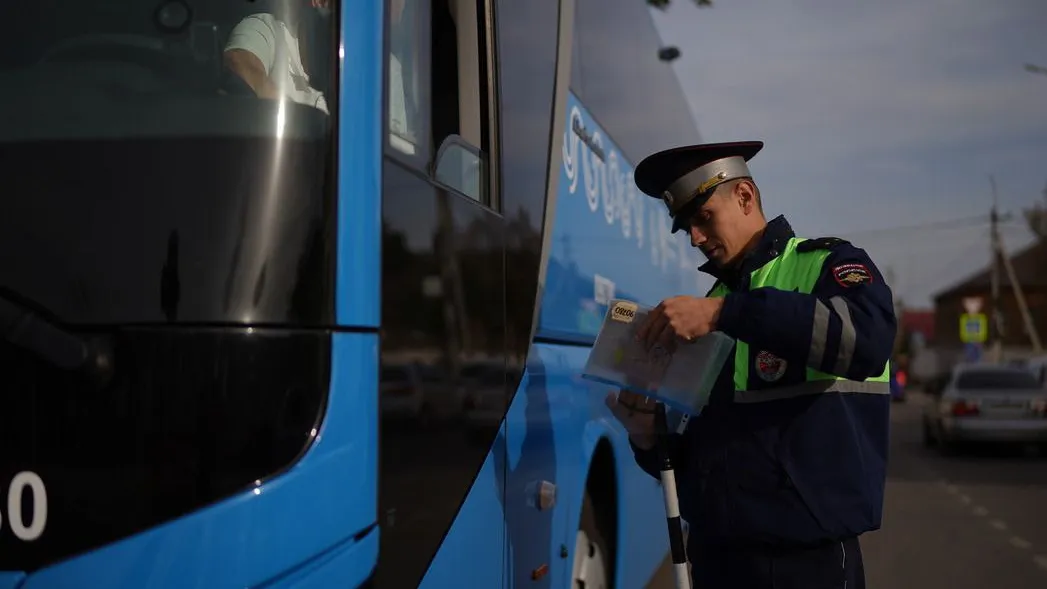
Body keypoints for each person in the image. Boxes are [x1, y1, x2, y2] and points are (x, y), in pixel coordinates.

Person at [607, 141, 896, 588]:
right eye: (687, 228)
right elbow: (703, 464)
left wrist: (728, 315)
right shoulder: (711, 307)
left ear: (745, 197)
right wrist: (647, 438)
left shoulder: (828, 265)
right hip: (718, 557)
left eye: (703, 218)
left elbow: (869, 341)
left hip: (806, 563)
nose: (696, 239)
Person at [223, 0, 334, 114]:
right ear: (320, 2)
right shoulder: (268, 27)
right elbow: (239, 60)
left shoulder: (349, 73)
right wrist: (292, 117)